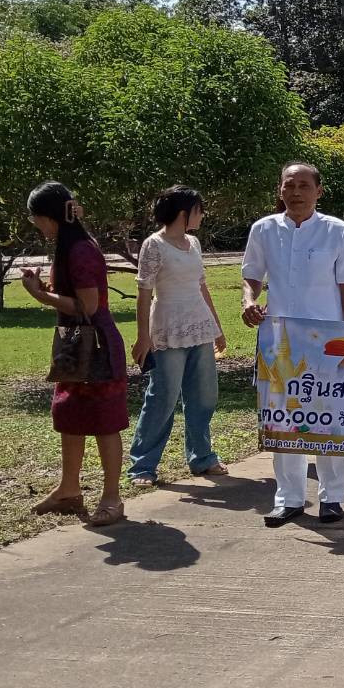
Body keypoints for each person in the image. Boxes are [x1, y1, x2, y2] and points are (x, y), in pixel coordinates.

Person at [242, 163, 344, 527]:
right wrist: (249, 301)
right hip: (280, 342)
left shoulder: (336, 231)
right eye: (289, 185)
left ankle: (332, 498)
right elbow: (252, 276)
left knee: (329, 417)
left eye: (304, 186)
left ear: (318, 191)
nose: (296, 192)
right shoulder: (263, 229)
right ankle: (290, 498)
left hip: (327, 343)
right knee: (282, 418)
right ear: (280, 190)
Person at [19, 182, 129, 527]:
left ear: (49, 217)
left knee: (104, 421)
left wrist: (40, 295)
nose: (38, 226)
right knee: (71, 415)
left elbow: (88, 306)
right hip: (75, 344)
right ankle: (69, 490)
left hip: (94, 346)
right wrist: (50, 289)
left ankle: (112, 496)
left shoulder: (80, 250)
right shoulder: (70, 248)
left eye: (37, 219)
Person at [126, 185, 228, 488]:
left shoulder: (194, 243)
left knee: (204, 395)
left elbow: (201, 285)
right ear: (184, 213)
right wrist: (143, 337)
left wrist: (217, 327)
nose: (202, 215)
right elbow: (143, 293)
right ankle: (143, 465)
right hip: (167, 328)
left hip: (199, 326)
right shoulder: (153, 245)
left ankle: (202, 457)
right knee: (163, 397)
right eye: (199, 209)